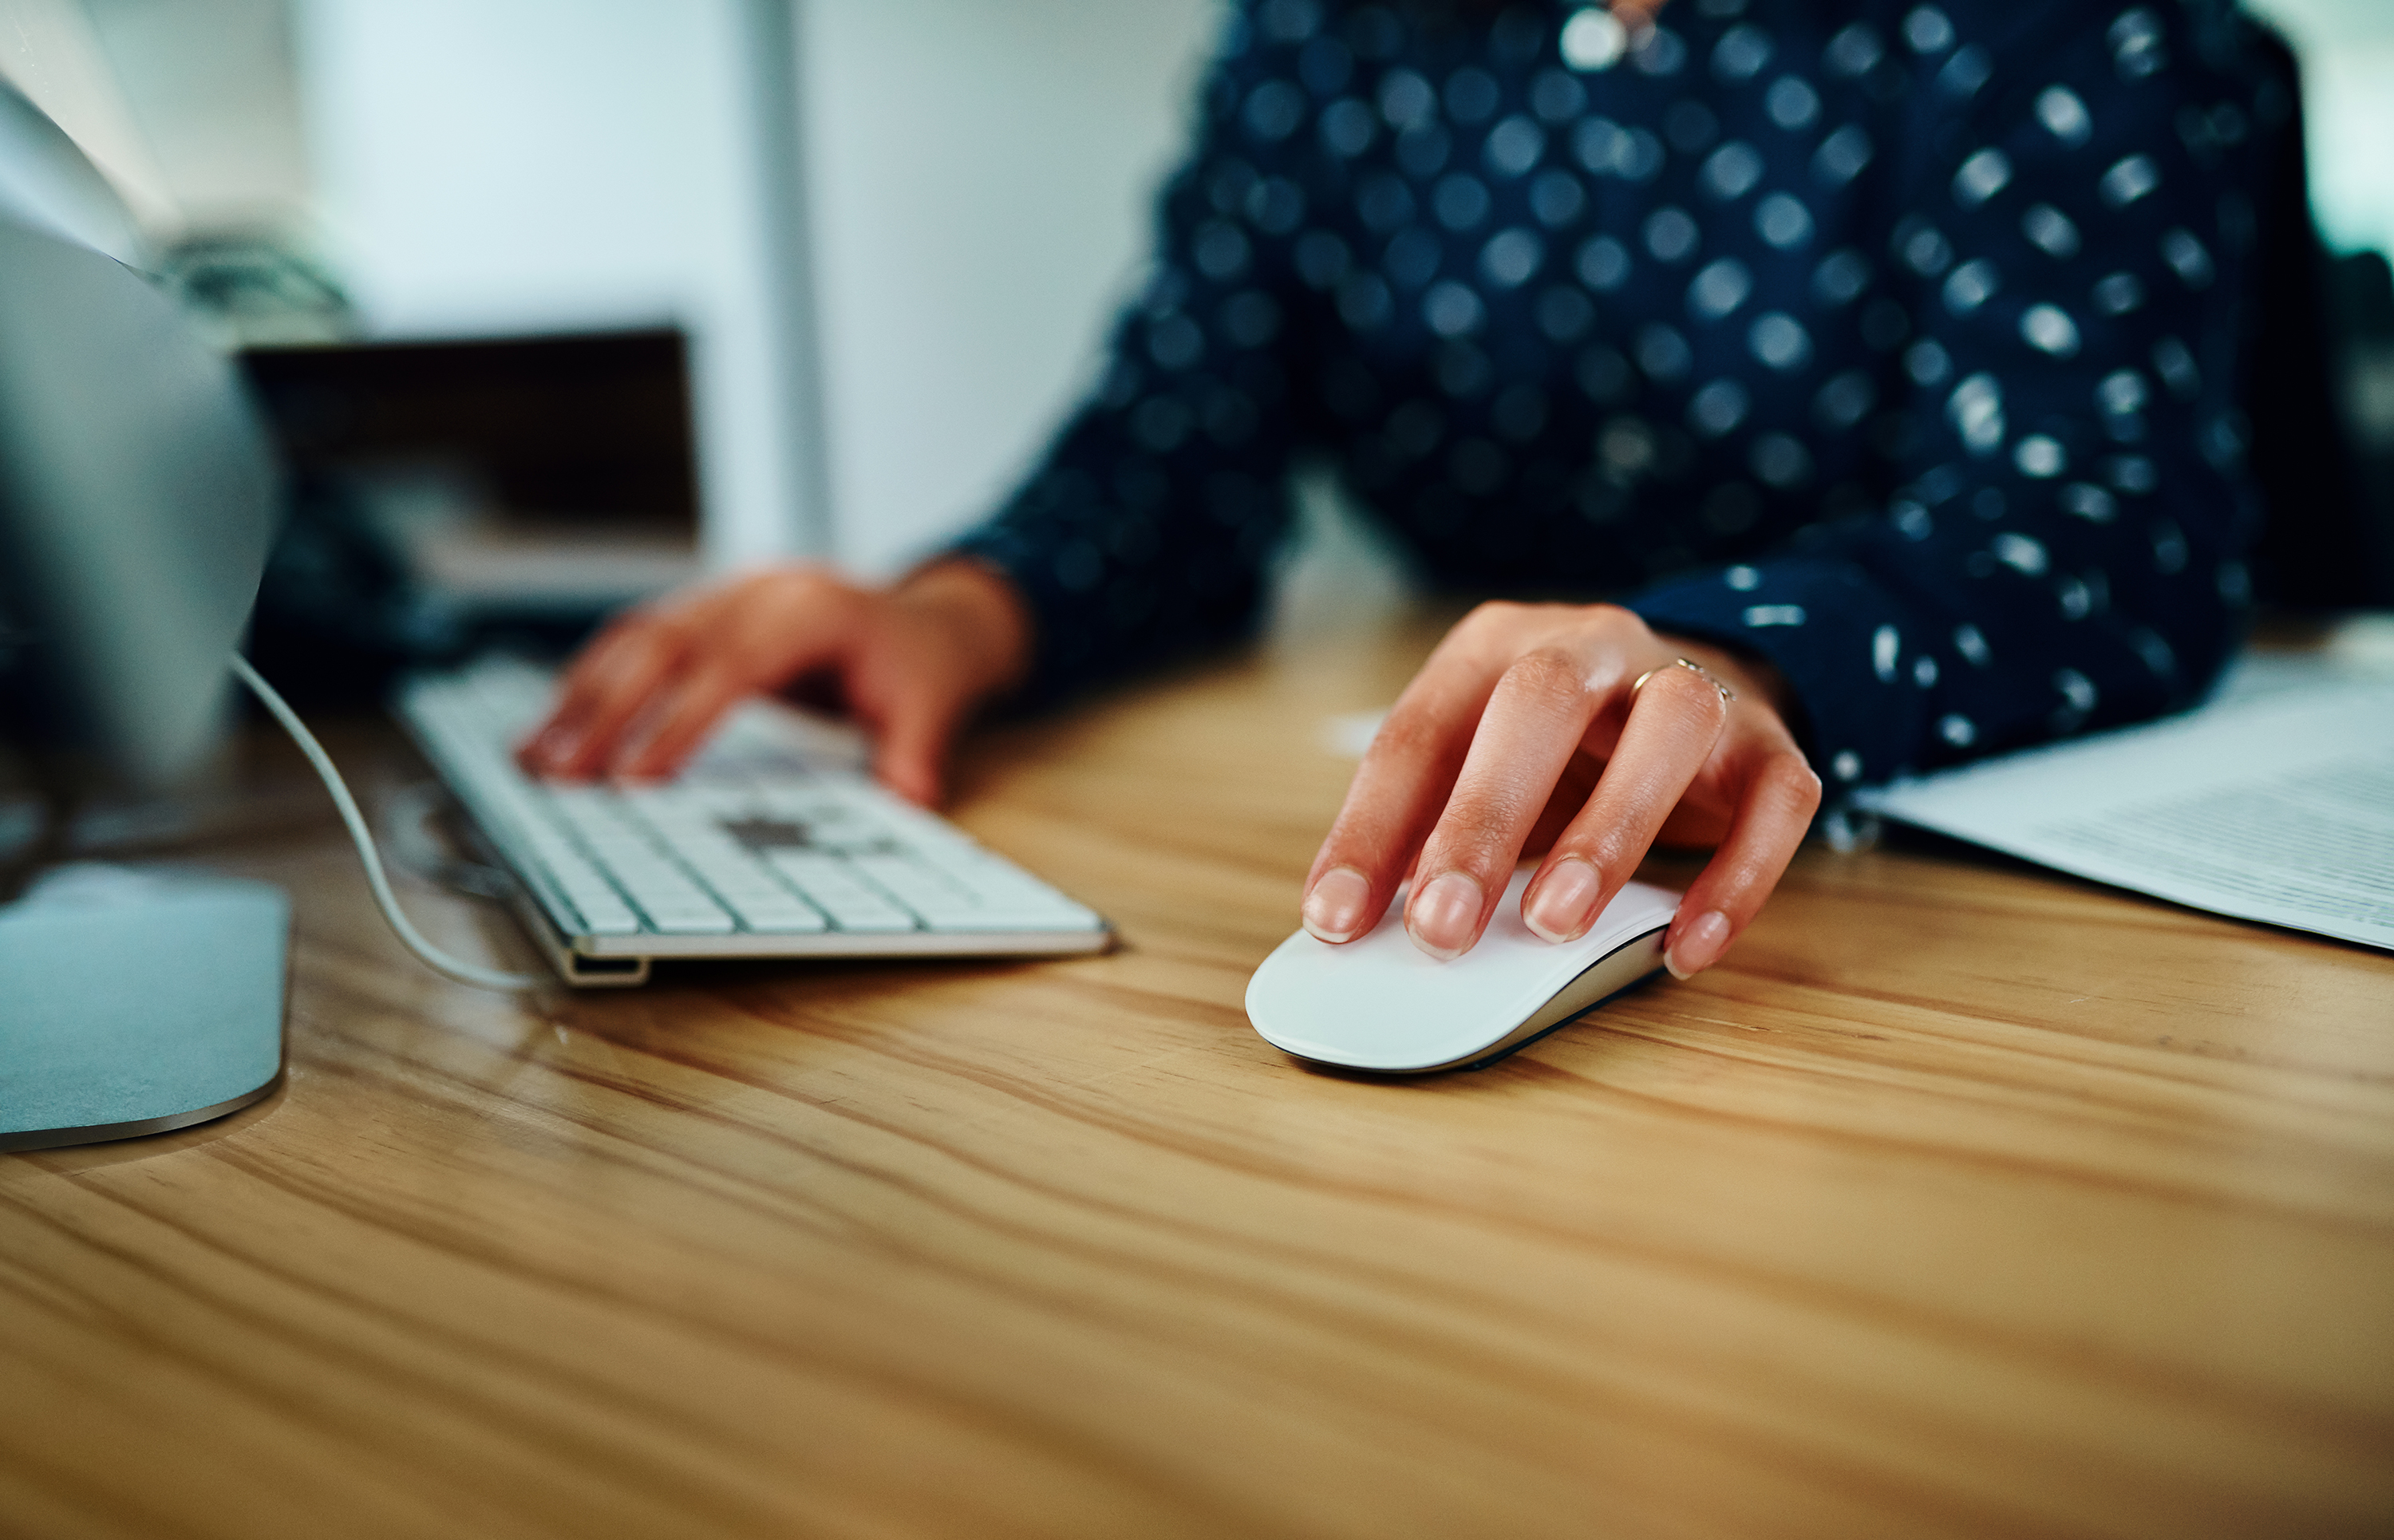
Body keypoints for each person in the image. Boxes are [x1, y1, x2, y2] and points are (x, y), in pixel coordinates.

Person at [520, 0, 2288, 977]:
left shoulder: (2062, 33)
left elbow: (2096, 526)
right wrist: (953, 609)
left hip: (1992, 916)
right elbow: (1172, 445)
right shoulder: (1321, 41)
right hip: (1495, 858)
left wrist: (1727, 660)